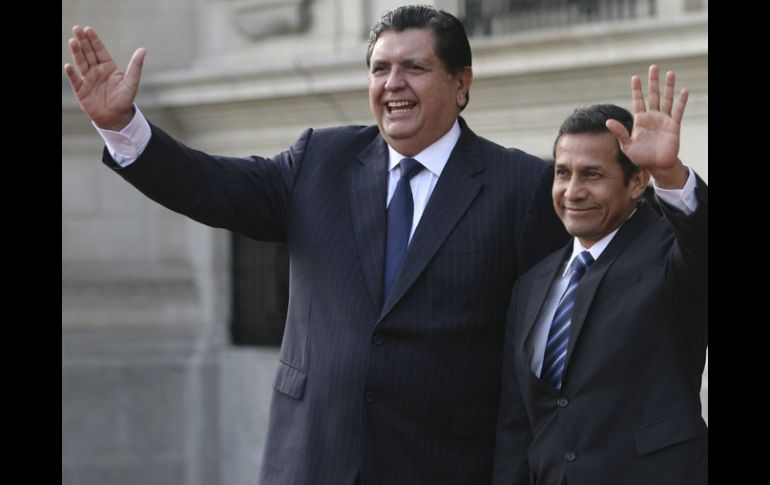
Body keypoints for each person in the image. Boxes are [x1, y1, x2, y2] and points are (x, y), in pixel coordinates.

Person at [65, 5, 568, 484]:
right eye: (380, 69)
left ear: (461, 84)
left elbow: (542, 358)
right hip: (314, 461)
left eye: (414, 67)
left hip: (445, 466)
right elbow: (211, 186)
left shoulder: (522, 187)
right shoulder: (320, 161)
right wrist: (124, 127)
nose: (393, 83)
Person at [493, 66, 708, 485]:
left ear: (637, 182)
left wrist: (670, 174)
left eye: (592, 174)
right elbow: (517, 426)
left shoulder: (669, 251)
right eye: (562, 173)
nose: (573, 191)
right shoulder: (531, 285)